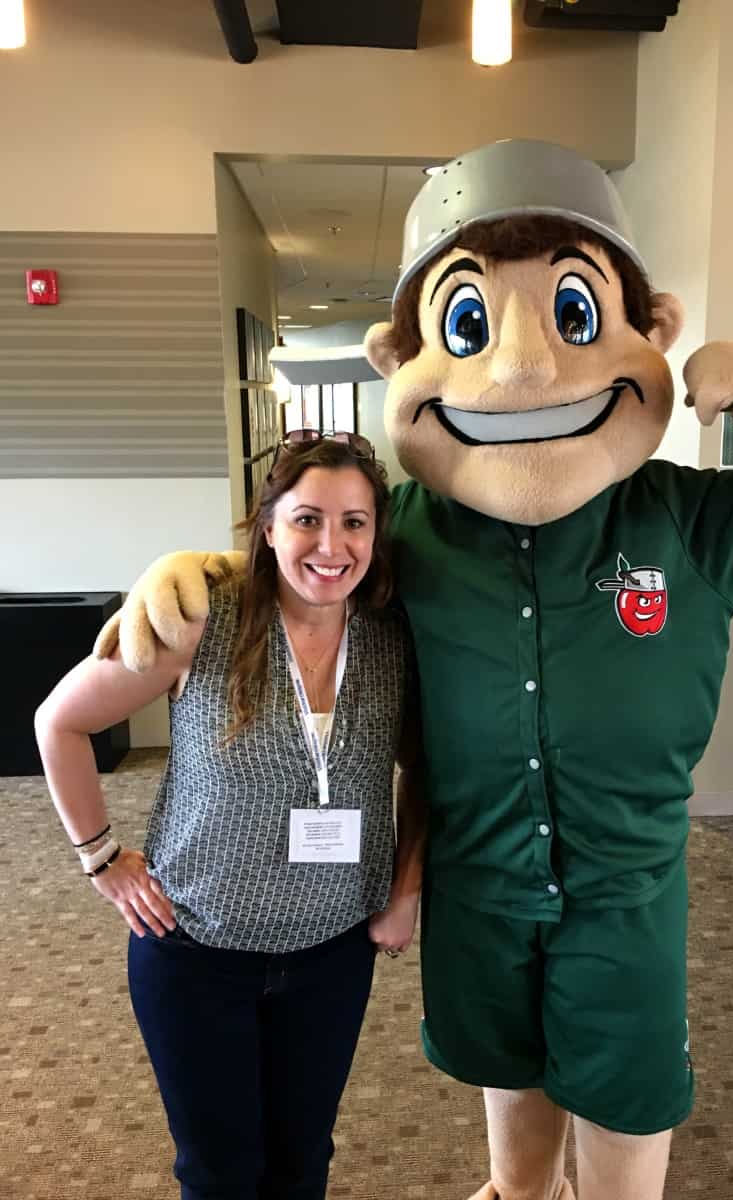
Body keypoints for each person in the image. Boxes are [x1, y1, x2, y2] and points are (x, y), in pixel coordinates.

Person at [93, 140, 733, 1200]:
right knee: (508, 1082)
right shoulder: (408, 528)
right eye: (468, 325)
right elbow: (317, 557)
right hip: (478, 884)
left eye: (576, 314)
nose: (521, 367)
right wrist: (203, 570)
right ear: (396, 356)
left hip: (625, 894)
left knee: (623, 1094)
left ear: (654, 332)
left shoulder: (681, 518)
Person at [34, 433, 425, 1200]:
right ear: (268, 525)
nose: (331, 545)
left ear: (376, 536)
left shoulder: (391, 638)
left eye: (354, 523)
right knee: (218, 1174)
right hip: (195, 951)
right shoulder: (203, 621)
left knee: (303, 1162)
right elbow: (59, 723)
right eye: (307, 519)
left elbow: (429, 769)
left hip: (332, 953)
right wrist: (103, 858)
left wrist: (406, 885)